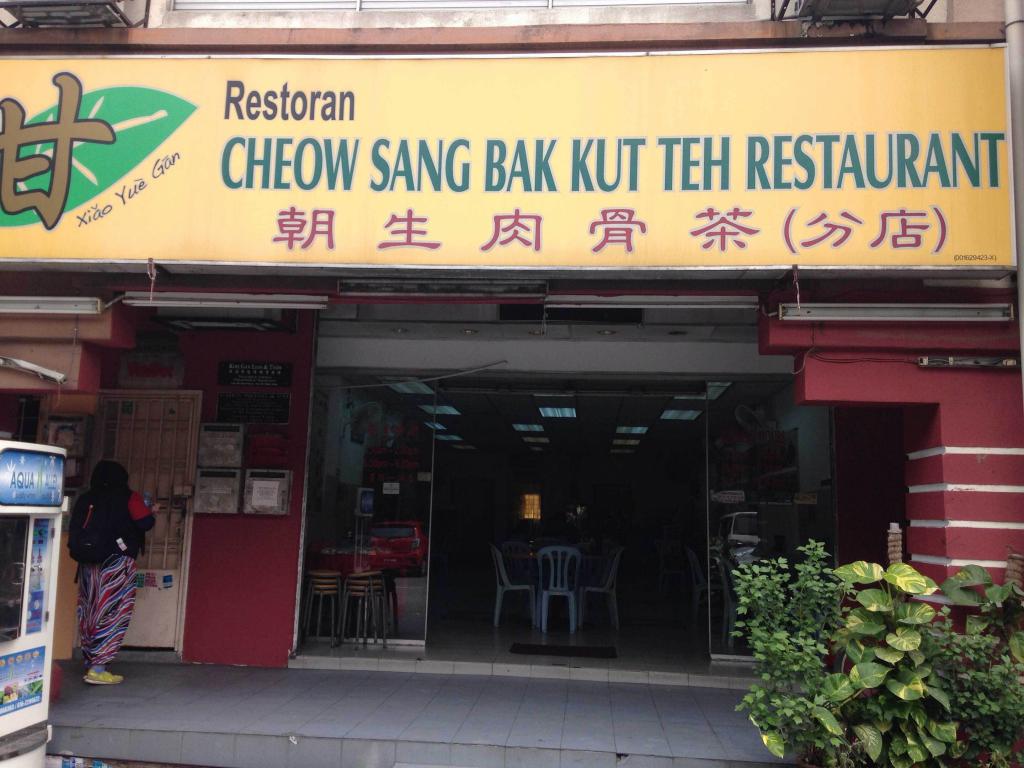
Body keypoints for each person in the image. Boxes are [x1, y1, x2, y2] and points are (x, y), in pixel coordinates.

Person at [68, 461, 154, 685]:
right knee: (113, 610)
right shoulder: (129, 497)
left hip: (88, 563)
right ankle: (98, 667)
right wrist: (151, 510)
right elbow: (145, 523)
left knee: (90, 609)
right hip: (117, 563)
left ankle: (90, 660)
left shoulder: (86, 498)